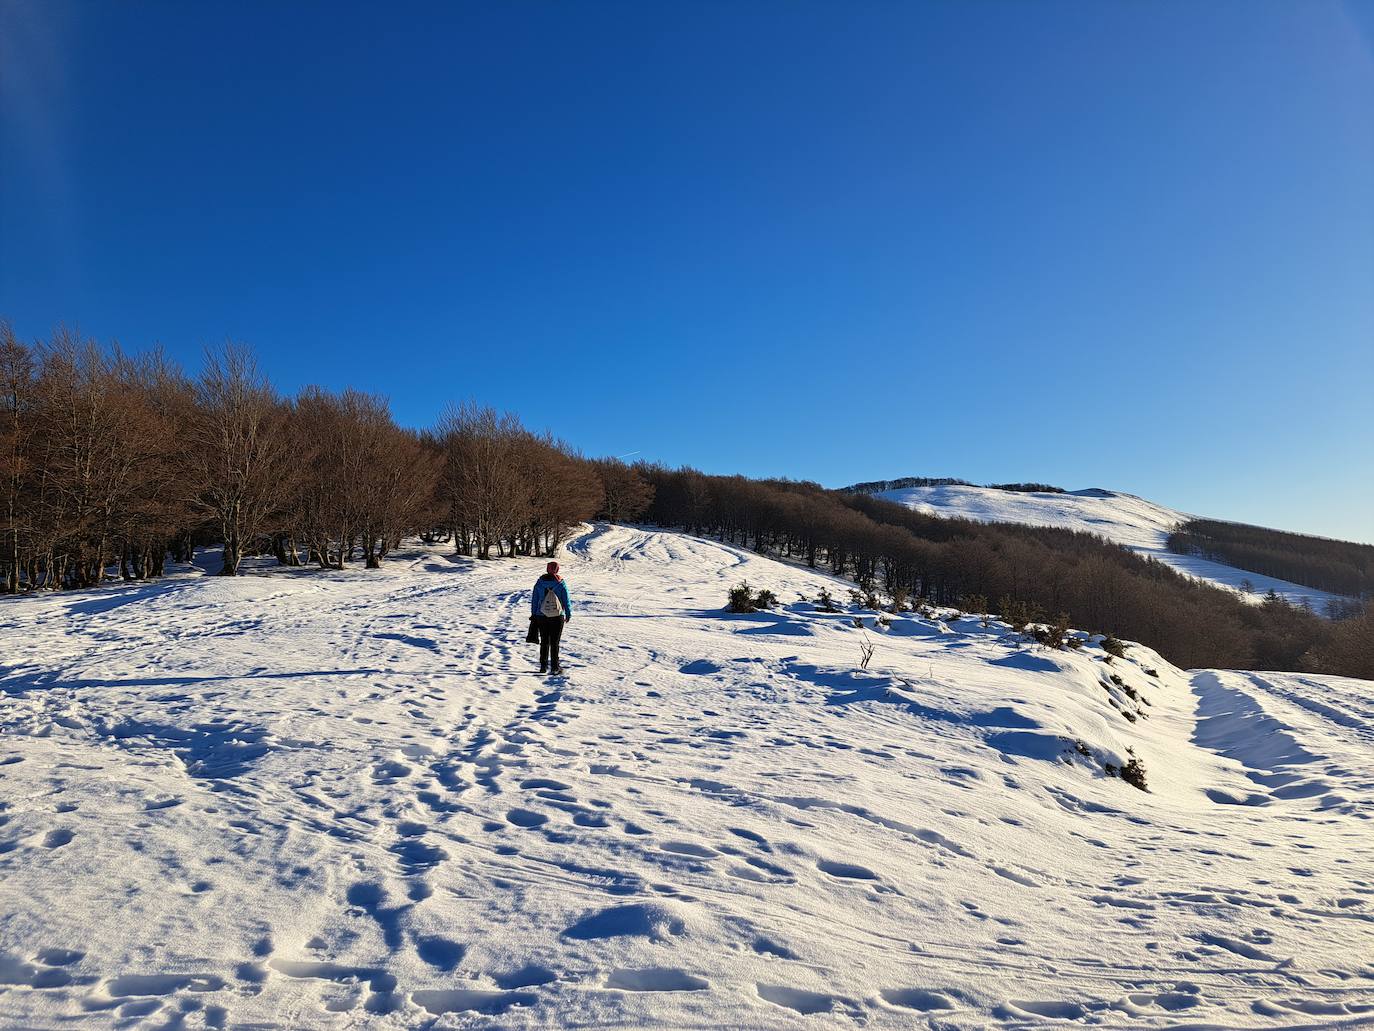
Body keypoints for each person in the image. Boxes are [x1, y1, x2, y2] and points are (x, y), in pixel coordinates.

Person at [531, 560, 571, 675]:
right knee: (555, 642)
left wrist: (534, 614)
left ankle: (543, 666)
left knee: (544, 641)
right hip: (557, 616)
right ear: (557, 569)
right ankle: (555, 667)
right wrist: (568, 613)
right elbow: (566, 600)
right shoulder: (561, 583)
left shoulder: (539, 583)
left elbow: (534, 600)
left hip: (541, 615)